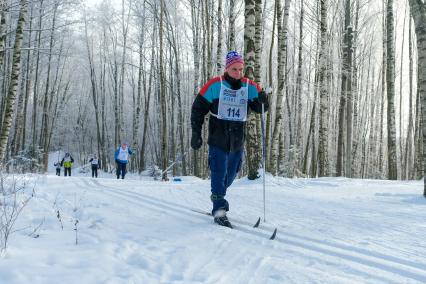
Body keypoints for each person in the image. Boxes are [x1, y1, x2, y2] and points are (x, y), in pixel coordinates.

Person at [190, 50, 269, 228]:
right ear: (227, 68)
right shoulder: (214, 85)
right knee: (218, 174)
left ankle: (218, 196)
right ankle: (219, 209)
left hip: (237, 141)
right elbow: (198, 110)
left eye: (241, 69)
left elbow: (260, 108)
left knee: (231, 174)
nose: (238, 73)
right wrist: (196, 133)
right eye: (234, 69)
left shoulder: (250, 86)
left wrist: (264, 100)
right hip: (218, 139)